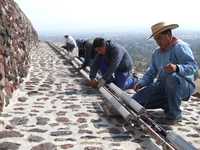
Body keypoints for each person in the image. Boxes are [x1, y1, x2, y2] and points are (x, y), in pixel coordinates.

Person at [132, 22, 199, 124]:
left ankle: (175, 115)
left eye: (160, 38)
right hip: (163, 85)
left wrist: (177, 67)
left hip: (184, 85)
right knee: (136, 102)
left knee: (171, 78)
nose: (158, 41)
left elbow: (193, 66)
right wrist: (142, 82)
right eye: (156, 39)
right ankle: (167, 104)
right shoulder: (157, 52)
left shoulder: (180, 47)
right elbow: (151, 71)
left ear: (169, 35)